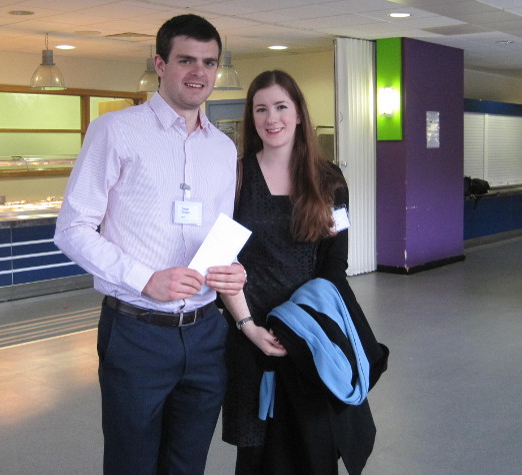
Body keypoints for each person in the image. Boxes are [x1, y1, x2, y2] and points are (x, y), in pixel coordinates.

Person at [54, 14, 246, 475]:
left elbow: (219, 234)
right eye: (186, 60)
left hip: (205, 333)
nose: (199, 72)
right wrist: (146, 280)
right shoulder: (115, 131)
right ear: (160, 64)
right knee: (132, 463)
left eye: (209, 62)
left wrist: (231, 270)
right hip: (136, 333)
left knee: (187, 463)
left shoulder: (222, 148)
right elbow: (73, 228)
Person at [220, 70, 383, 475]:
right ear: (251, 117)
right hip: (251, 336)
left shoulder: (329, 181)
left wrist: (298, 326)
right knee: (256, 455)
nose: (271, 118)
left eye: (280, 107)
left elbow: (334, 264)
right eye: (261, 109)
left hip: (311, 334)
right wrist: (248, 326)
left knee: (312, 447)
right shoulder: (236, 178)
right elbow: (221, 260)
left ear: (297, 114)